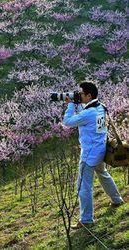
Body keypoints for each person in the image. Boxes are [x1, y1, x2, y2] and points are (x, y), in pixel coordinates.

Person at [62, 81, 124, 230]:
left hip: (89, 154)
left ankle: (87, 219)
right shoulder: (100, 107)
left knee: (84, 185)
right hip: (100, 149)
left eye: (81, 94)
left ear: (89, 95)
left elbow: (67, 122)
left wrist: (70, 104)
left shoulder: (88, 113)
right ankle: (117, 200)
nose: (79, 96)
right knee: (103, 174)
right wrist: (78, 103)